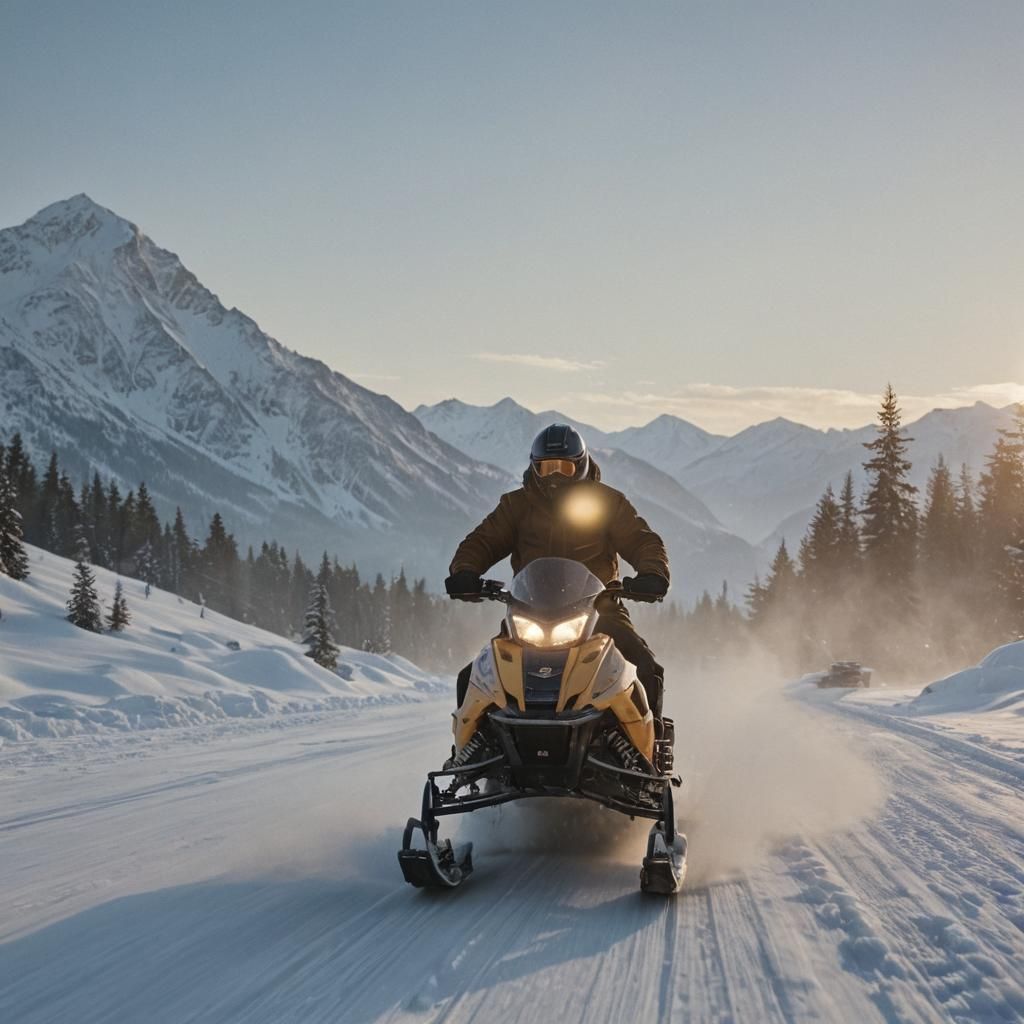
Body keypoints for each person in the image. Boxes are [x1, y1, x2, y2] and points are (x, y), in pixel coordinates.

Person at [445, 423, 670, 721]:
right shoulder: (517, 505)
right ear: (534, 467)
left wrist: (652, 574)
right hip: (529, 611)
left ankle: (650, 755)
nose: (553, 476)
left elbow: (642, 540)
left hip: (599, 608)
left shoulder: (606, 502)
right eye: (546, 467)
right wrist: (465, 572)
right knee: (475, 676)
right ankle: (469, 756)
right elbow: (482, 541)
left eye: (563, 468)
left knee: (644, 666)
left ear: (581, 465)